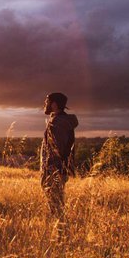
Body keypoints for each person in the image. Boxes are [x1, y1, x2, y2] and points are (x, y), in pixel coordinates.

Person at [41, 92, 78, 224]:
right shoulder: (57, 120)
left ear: (54, 104)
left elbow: (58, 150)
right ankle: (58, 228)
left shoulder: (59, 123)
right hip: (55, 169)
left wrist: (52, 171)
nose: (45, 104)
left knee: (56, 203)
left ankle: (60, 230)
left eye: (47, 101)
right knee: (55, 202)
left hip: (55, 170)